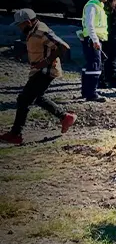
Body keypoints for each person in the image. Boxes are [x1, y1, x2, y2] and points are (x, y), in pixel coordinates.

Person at [2, 10, 76, 145]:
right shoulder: (33, 30)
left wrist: (46, 62)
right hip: (39, 70)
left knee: (24, 99)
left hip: (45, 71)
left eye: (20, 25)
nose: (19, 28)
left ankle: (16, 134)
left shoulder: (41, 31)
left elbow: (63, 47)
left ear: (28, 22)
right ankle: (65, 117)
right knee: (36, 97)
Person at [77, 0, 110, 102]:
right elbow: (89, 25)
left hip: (93, 39)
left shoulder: (98, 5)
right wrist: (95, 40)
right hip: (93, 40)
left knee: (90, 65)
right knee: (95, 65)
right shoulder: (92, 6)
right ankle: (92, 93)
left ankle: (86, 92)